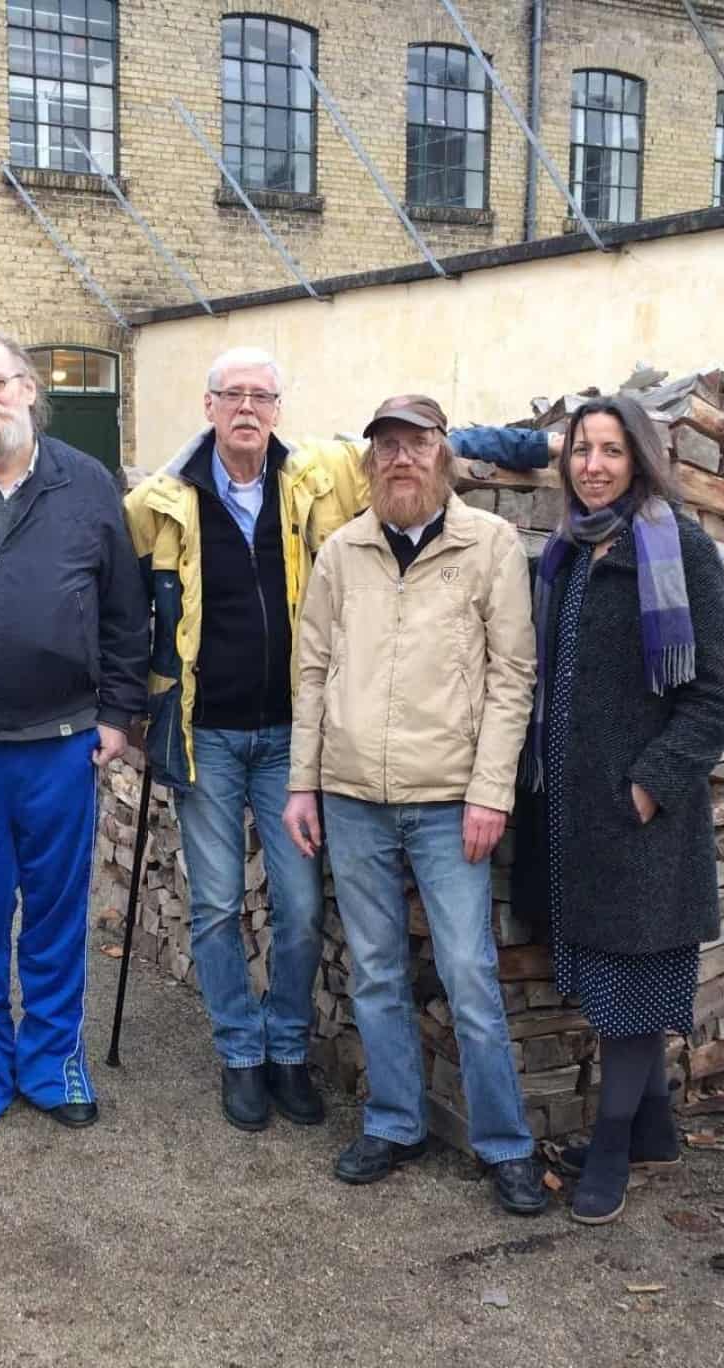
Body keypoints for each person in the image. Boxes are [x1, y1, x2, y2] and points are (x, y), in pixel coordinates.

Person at [127, 354, 556, 1134]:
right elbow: (114, 595)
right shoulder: (160, 500)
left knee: (296, 906)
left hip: (296, 735)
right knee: (218, 905)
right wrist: (121, 704)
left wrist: (539, 446)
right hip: (209, 736)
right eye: (233, 396)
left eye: (261, 395)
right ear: (209, 404)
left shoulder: (319, 474)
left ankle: (289, 1047)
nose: (247, 408)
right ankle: (242, 1055)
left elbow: (430, 447)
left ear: (280, 407)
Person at [283, 394, 546, 1216]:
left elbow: (513, 679)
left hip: (448, 802)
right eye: (387, 446)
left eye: (417, 444)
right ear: (370, 462)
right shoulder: (341, 552)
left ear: (445, 455)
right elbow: (313, 671)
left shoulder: (490, 545)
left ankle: (506, 1145)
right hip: (354, 797)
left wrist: (490, 791)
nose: (402, 459)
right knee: (376, 971)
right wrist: (303, 781)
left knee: (468, 973)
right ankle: (395, 1123)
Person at [0, 331, 148, 1132]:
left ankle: (53, 1059)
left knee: (55, 911)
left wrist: (117, 714)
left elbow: (125, 611)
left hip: (61, 740)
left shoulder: (86, 484)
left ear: (29, 391)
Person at [512, 394, 724, 1224]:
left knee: (633, 987)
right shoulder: (568, 553)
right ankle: (654, 1129)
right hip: (574, 817)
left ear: (639, 459)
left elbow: (712, 698)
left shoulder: (680, 550)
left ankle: (611, 1149)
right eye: (581, 451)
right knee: (602, 976)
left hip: (643, 822)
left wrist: (646, 787)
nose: (593, 465)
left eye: (610, 450)